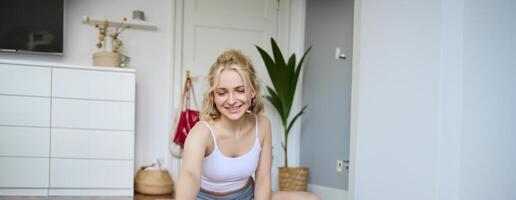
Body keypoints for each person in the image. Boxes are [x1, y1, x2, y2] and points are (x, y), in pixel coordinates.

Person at [175, 49, 319, 200]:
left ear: (252, 91)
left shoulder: (263, 125)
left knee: (311, 199)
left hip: (247, 196)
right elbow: (189, 176)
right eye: (222, 92)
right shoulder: (201, 132)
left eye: (240, 90)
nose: (231, 100)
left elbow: (263, 180)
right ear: (213, 96)